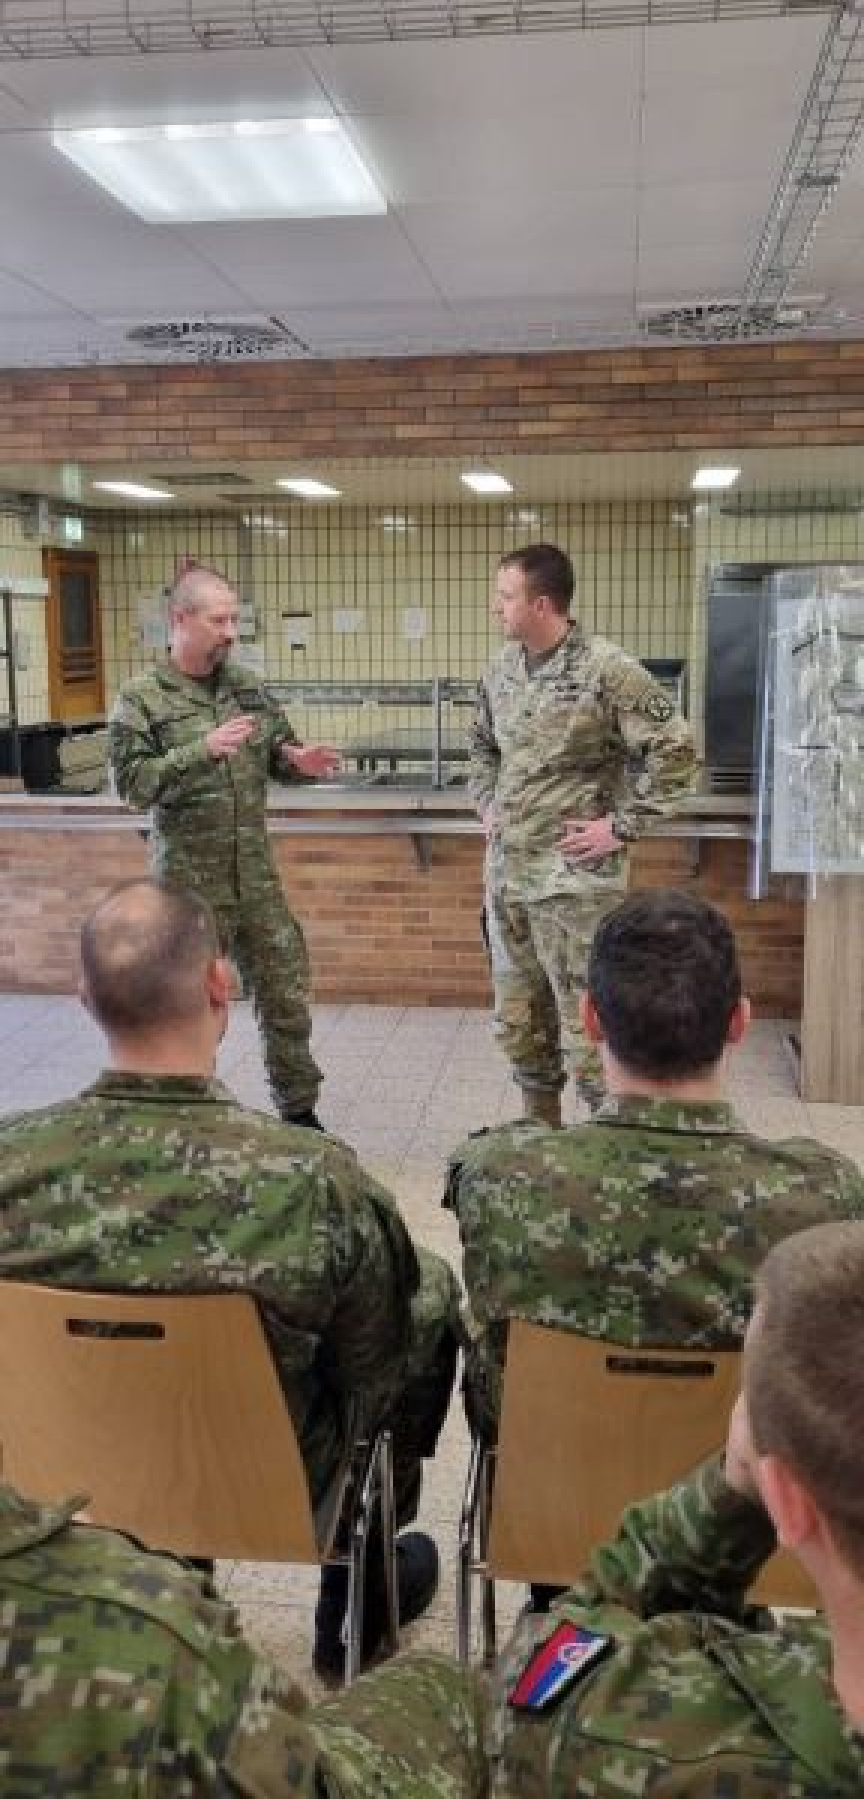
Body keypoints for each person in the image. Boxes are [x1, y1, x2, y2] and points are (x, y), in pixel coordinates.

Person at [8, 1222, 864, 1793]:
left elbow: (554, 1660)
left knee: (444, 1690)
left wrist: (728, 1487)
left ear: (784, 1500)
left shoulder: (621, 1734)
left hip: (253, 1486)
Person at [0, 879, 461, 1681]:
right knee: (429, 1297)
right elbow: (375, 1365)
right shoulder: (313, 1181)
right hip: (272, 1481)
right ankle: (356, 1594)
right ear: (221, 984)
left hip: (58, 1471)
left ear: (83, 999)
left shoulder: (11, 1160)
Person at [444, 888, 864, 1443]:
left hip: (547, 1479)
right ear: (739, 1023)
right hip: (743, 1488)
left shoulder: (499, 1175)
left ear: (590, 1020)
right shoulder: (827, 1196)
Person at [469, 542, 697, 1122]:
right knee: (519, 1023)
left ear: (542, 604)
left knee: (589, 1028)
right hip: (508, 881)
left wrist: (621, 827)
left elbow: (678, 752)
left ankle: (606, 1141)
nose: (495, 607)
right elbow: (482, 748)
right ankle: (541, 1134)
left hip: (574, 885)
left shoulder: (606, 669)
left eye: (505, 596)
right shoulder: (500, 669)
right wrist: (487, 803)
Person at [109, 564, 339, 1127]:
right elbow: (132, 788)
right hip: (188, 891)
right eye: (219, 620)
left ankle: (299, 1114)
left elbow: (280, 751)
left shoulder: (246, 688)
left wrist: (300, 762)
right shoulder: (142, 699)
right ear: (179, 620)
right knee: (185, 1008)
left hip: (255, 882)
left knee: (286, 994)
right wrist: (201, 751)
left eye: (235, 619)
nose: (231, 632)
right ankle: (186, 1117)